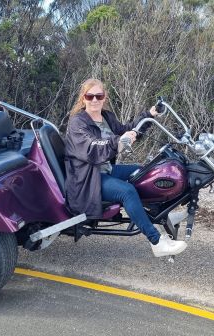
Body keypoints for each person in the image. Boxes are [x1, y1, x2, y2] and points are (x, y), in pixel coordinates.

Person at [65, 78, 187, 257]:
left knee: (146, 172)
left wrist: (149, 115)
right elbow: (92, 147)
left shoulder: (106, 117)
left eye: (99, 95)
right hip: (88, 178)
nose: (94, 100)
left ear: (105, 97)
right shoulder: (78, 122)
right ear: (83, 98)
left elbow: (127, 128)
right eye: (89, 96)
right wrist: (118, 142)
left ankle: (162, 215)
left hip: (106, 170)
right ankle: (156, 242)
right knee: (127, 191)